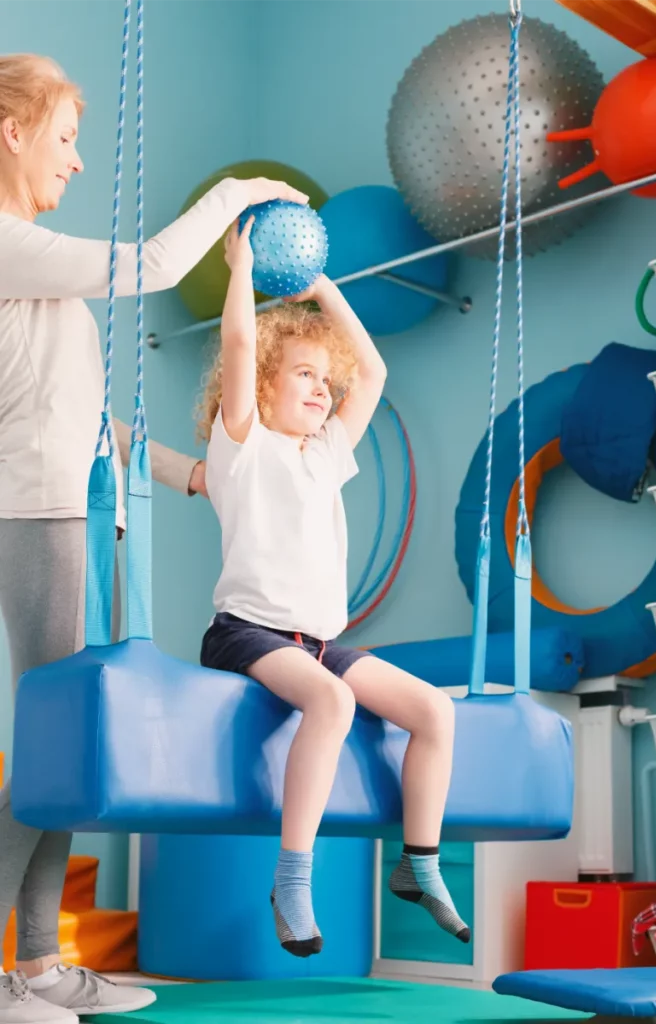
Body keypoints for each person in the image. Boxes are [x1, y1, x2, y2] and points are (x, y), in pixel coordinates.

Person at [0, 52, 309, 1023]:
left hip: (75, 505)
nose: (78, 161)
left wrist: (187, 471)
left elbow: (78, 413)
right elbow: (156, 266)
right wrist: (239, 194)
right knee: (58, 751)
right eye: (65, 137)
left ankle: (41, 966)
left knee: (74, 748)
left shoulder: (35, 264)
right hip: (36, 514)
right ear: (11, 131)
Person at [197, 216, 470, 959]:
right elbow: (238, 344)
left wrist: (322, 290)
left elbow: (374, 373)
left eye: (324, 378)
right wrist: (240, 275)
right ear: (261, 387)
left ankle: (419, 864)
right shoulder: (243, 445)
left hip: (318, 640)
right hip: (246, 632)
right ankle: (291, 878)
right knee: (334, 701)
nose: (321, 389)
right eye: (303, 375)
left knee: (432, 712)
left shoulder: (326, 454)